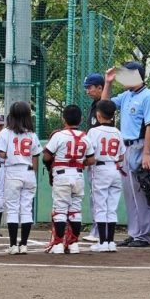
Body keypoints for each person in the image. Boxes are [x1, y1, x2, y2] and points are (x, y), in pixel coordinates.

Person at [102, 62, 150, 247]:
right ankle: (134, 234)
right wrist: (108, 83)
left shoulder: (148, 96)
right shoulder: (127, 95)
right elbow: (104, 106)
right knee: (130, 194)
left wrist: (147, 153)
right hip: (126, 148)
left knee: (143, 191)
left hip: (141, 146)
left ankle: (144, 235)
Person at [43, 105, 95, 254]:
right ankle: (73, 244)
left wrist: (53, 164)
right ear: (81, 119)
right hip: (78, 175)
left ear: (63, 119)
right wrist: (79, 162)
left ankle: (58, 244)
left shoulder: (59, 135)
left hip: (61, 174)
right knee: (75, 210)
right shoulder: (85, 136)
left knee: (60, 209)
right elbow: (91, 160)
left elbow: (46, 156)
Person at [0, 101, 42, 255]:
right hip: (28, 172)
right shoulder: (32, 134)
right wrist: (32, 174)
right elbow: (35, 157)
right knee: (26, 208)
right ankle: (24, 244)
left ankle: (13, 245)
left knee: (13, 209)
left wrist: (7, 155)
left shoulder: (5, 132)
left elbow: (1, 153)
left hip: (13, 171)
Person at [86, 100, 125, 252]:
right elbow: (121, 156)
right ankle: (110, 242)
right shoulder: (117, 132)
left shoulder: (93, 131)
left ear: (98, 115)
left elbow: (89, 153)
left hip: (100, 169)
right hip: (115, 169)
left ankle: (102, 242)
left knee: (100, 206)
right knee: (112, 207)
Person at [83, 72, 108, 243]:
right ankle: (98, 230)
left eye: (90, 87)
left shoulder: (104, 107)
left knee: (99, 196)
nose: (87, 91)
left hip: (100, 158)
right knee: (97, 196)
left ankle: (99, 231)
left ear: (100, 87)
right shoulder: (95, 105)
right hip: (98, 158)